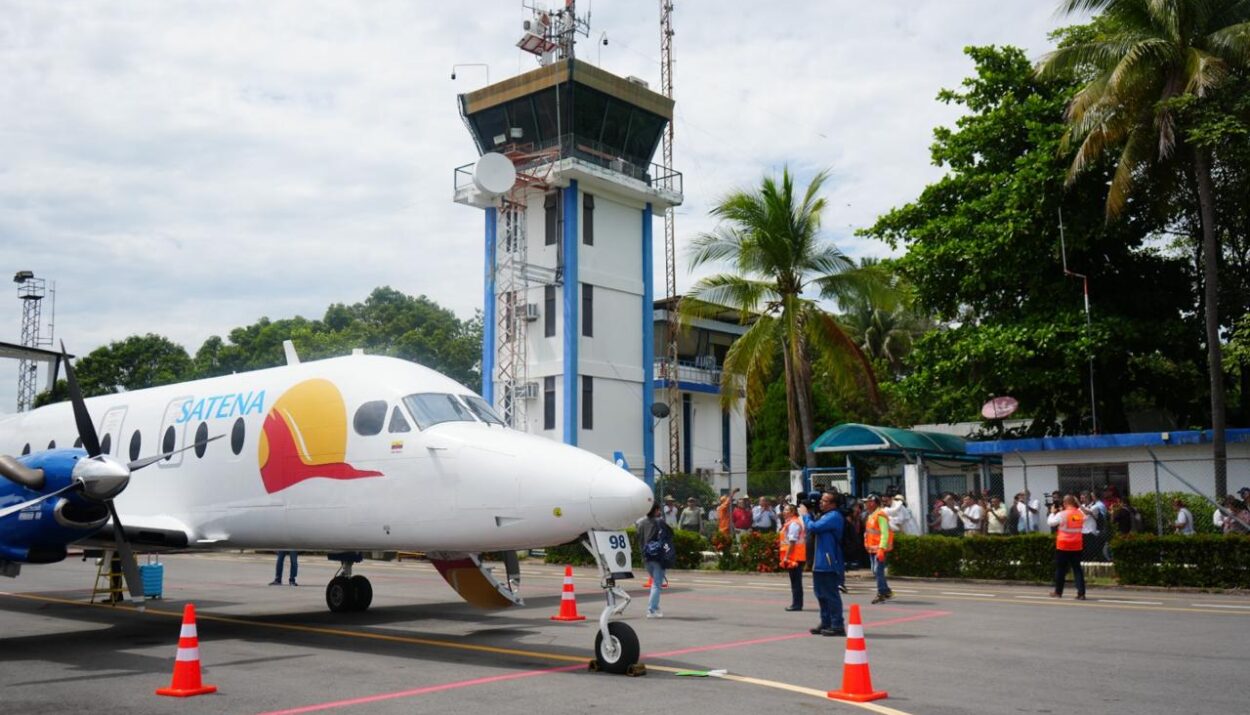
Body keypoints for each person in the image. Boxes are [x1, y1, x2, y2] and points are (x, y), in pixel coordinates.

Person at [801, 491, 846, 636]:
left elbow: (814, 527)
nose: (821, 502)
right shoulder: (825, 515)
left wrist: (806, 515)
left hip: (828, 561)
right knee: (820, 594)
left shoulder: (834, 516)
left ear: (833, 504)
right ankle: (826, 622)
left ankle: (837, 624)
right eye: (821, 500)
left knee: (831, 594)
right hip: (819, 562)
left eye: (825, 500)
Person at [638, 503, 674, 618]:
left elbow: (639, 539)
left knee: (655, 582)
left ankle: (655, 605)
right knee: (657, 585)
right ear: (655, 510)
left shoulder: (641, 523)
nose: (660, 512)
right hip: (658, 556)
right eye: (658, 510)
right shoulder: (659, 522)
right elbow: (670, 533)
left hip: (646, 556)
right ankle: (651, 610)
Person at [1048, 495, 1086, 600]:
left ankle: (1058, 592)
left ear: (1064, 503)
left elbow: (1051, 523)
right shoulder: (1079, 514)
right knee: (1077, 569)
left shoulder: (1062, 514)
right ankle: (1081, 593)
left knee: (1061, 570)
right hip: (1076, 545)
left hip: (1063, 545)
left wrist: (1052, 512)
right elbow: (1083, 517)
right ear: (1074, 503)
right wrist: (1078, 505)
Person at [863, 494, 894, 604]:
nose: (865, 504)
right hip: (873, 549)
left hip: (879, 549)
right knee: (875, 571)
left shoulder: (880, 515)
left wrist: (881, 548)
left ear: (873, 503)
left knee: (878, 571)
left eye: (867, 502)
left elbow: (885, 533)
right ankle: (886, 590)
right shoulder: (871, 515)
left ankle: (881, 593)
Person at [778, 503, 806, 611]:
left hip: (794, 557)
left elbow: (792, 542)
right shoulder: (789, 523)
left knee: (796, 582)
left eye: (786, 510)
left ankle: (797, 604)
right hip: (794, 556)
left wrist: (787, 557)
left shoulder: (794, 524)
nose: (784, 512)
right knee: (795, 582)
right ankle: (796, 603)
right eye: (784, 510)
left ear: (793, 512)